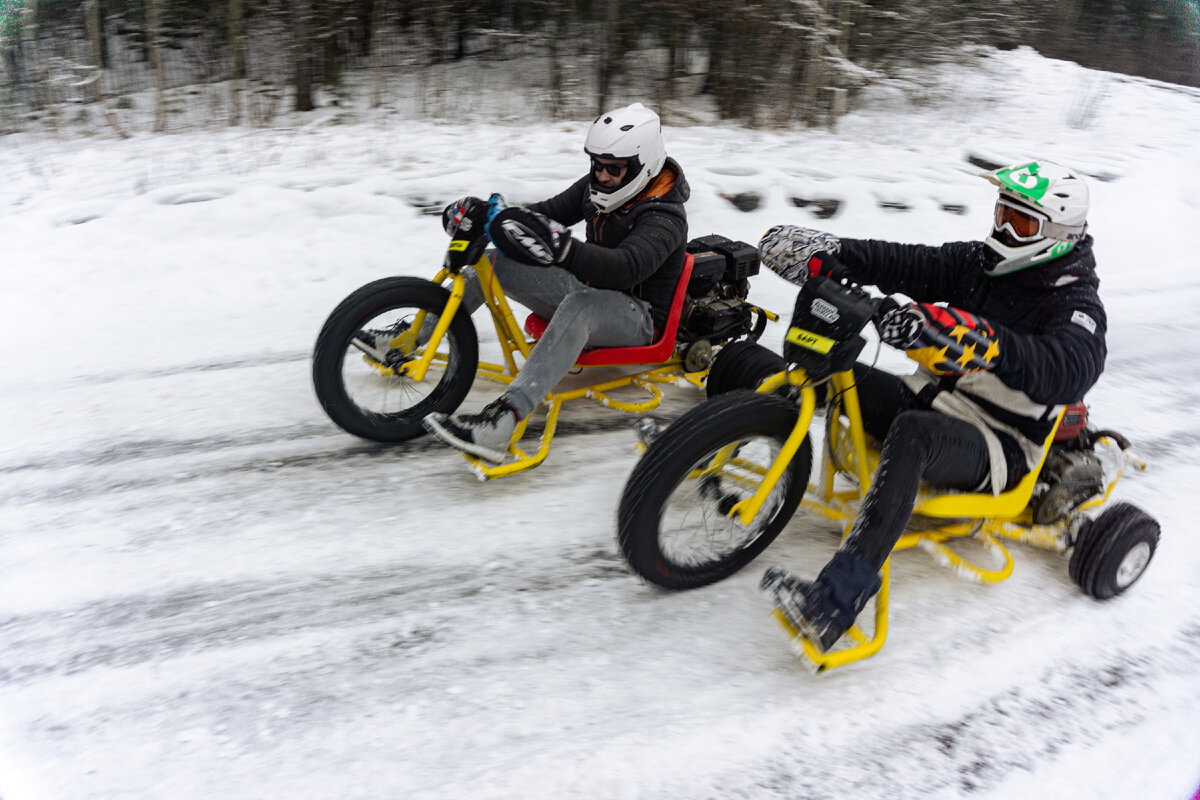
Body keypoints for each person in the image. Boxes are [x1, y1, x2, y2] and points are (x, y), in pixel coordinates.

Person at [757, 160, 1106, 652]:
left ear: (1060, 234)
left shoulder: (1077, 306)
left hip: (999, 444)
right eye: (1003, 212)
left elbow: (1068, 366)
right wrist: (834, 253)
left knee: (914, 434)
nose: (1004, 228)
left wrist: (981, 340)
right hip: (928, 396)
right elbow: (906, 262)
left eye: (1021, 223)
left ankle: (838, 598)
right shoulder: (981, 263)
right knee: (836, 372)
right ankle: (714, 448)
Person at [420, 102, 690, 463]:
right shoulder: (596, 187)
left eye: (614, 169)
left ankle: (503, 422)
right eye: (596, 164)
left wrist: (564, 250)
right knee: (494, 261)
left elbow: (626, 268)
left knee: (580, 308)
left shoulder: (665, 216)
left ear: (644, 166)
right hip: (590, 291)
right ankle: (412, 338)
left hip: (640, 317)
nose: (602, 176)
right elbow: (544, 215)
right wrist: (491, 215)